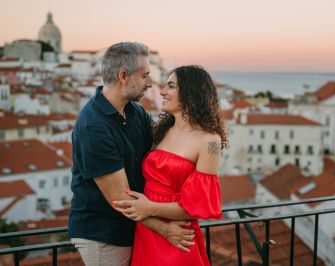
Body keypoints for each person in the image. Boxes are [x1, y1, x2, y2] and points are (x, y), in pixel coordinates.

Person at [68, 42, 195, 266]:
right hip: (103, 234)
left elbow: (163, 148)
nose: (149, 83)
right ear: (124, 76)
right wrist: (166, 230)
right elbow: (121, 199)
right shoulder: (94, 126)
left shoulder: (134, 111)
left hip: (133, 226)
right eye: (145, 75)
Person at [113, 65, 227, 265]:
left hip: (177, 235)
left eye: (171, 86)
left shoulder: (210, 142)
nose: (163, 91)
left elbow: (196, 207)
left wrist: (150, 208)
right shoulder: (161, 131)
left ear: (192, 93)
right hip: (148, 230)